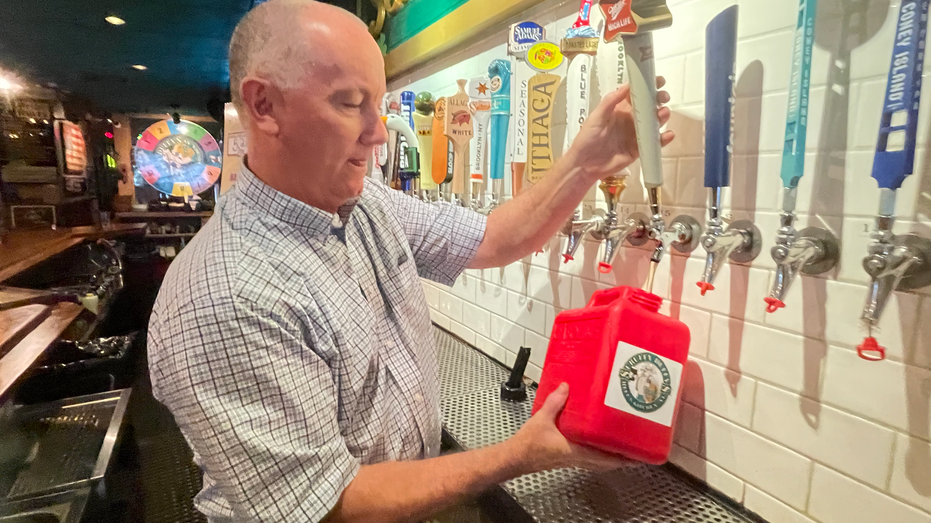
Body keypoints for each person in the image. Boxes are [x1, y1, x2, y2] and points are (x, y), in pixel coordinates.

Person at [147, 1, 674, 522]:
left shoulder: (362, 204)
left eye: (376, 104)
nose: (378, 134)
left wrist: (584, 162)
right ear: (263, 106)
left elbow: (492, 238)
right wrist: (519, 454)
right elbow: (328, 506)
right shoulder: (223, 295)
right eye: (351, 103)